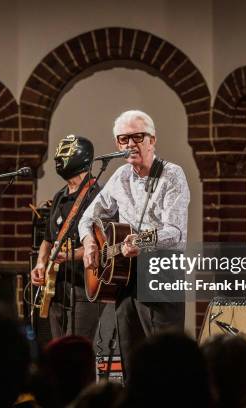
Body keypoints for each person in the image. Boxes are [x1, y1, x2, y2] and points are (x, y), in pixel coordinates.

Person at [78, 110, 190, 377]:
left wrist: (142, 241)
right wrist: (90, 242)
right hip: (125, 277)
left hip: (160, 274)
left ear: (152, 140)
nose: (130, 144)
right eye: (123, 139)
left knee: (165, 364)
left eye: (137, 137)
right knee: (133, 360)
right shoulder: (120, 177)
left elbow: (175, 232)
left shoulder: (172, 175)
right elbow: (87, 217)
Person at [31, 135, 104, 340]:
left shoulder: (97, 195)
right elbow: (48, 238)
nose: (59, 159)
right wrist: (40, 264)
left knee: (77, 350)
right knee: (59, 350)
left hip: (84, 287)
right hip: (56, 287)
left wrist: (71, 255)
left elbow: (101, 244)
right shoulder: (59, 196)